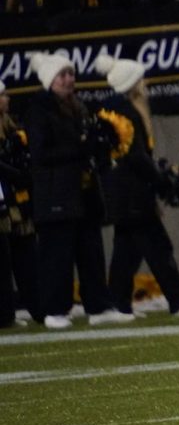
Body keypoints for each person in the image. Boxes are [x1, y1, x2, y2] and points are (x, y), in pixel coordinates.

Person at [25, 52, 132, 329]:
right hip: (55, 195)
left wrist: (98, 145)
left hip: (83, 193)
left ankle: (98, 306)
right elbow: (40, 153)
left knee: (91, 253)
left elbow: (87, 145)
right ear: (49, 81)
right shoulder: (39, 109)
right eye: (62, 75)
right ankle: (54, 310)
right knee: (57, 257)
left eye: (71, 73)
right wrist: (80, 147)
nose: (69, 79)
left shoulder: (78, 107)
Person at [94, 55, 179, 317]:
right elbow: (136, 157)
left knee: (126, 254)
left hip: (124, 196)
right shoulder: (127, 112)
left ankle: (118, 305)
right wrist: (161, 180)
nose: (146, 83)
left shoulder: (117, 112)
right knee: (158, 247)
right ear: (132, 84)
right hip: (133, 196)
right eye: (141, 79)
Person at [0, 81, 34, 328]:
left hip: (16, 200)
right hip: (3, 201)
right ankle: (4, 313)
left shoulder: (11, 126)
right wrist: (17, 174)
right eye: (3, 95)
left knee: (25, 255)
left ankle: (31, 307)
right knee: (3, 259)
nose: (8, 98)